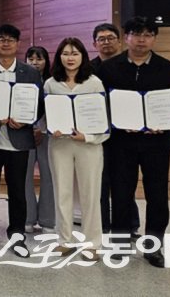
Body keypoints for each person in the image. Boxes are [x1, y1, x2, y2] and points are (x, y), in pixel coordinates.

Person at [97, 17, 170, 268]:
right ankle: (118, 244)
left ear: (154, 38)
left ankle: (154, 247)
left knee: (157, 196)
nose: (141, 39)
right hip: (121, 143)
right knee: (121, 194)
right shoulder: (109, 68)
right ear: (125, 38)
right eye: (136, 34)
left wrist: (167, 121)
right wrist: (114, 119)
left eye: (148, 34)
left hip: (156, 144)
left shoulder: (166, 68)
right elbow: (98, 102)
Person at [0, 24, 42, 257]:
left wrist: (26, 120)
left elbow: (39, 104)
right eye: (1, 40)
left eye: (11, 40)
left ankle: (17, 235)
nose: (6, 43)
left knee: (18, 191)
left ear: (18, 44)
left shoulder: (30, 72)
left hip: (18, 140)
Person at [44, 37, 109, 260]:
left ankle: (92, 243)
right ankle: (64, 239)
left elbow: (103, 121)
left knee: (90, 194)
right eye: (65, 53)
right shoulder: (51, 83)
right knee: (61, 192)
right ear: (59, 57)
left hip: (88, 146)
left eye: (75, 53)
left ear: (83, 56)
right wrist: (50, 129)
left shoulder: (94, 83)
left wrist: (88, 136)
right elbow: (44, 116)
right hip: (59, 144)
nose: (70, 58)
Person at [90, 23, 141, 237]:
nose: (106, 42)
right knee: (99, 182)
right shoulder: (88, 69)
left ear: (119, 41)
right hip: (97, 134)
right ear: (94, 44)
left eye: (110, 37)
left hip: (125, 135)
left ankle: (129, 226)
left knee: (124, 182)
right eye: (101, 39)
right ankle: (101, 227)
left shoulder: (131, 66)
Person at [24, 46, 55, 234]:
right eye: (31, 59)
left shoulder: (52, 82)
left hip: (48, 135)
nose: (35, 63)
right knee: (25, 177)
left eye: (39, 59)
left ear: (46, 61)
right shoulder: (23, 80)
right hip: (25, 134)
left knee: (49, 177)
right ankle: (27, 218)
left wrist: (41, 129)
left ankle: (48, 221)